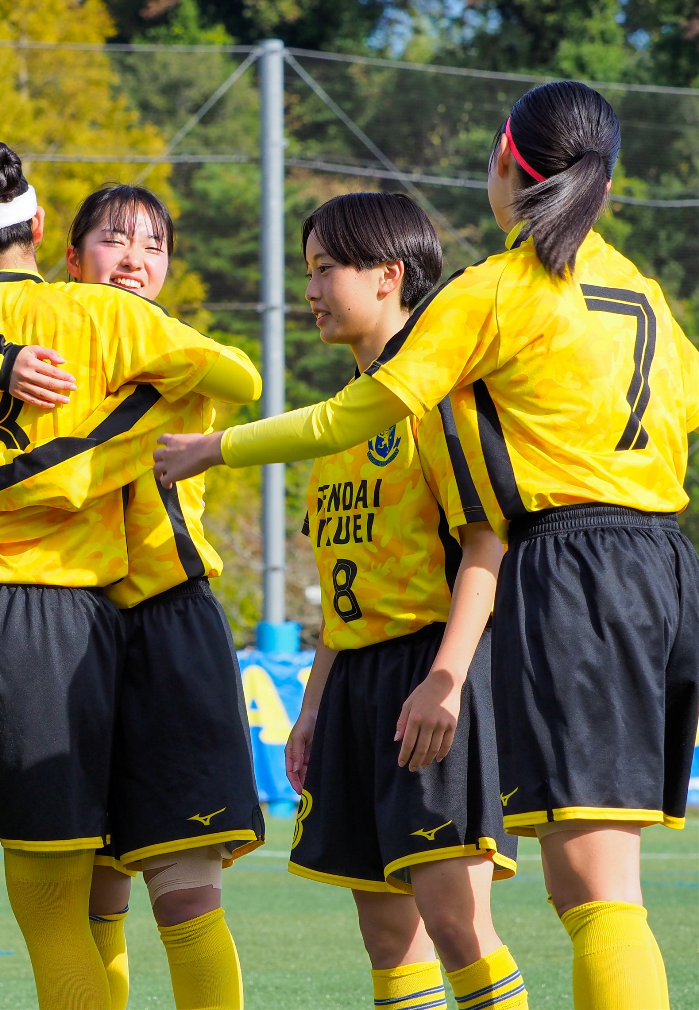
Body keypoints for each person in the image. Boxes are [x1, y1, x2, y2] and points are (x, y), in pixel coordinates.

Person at [156, 81, 699, 1007]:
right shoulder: (648, 299)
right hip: (660, 564)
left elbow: (361, 411)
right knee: (592, 890)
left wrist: (215, 445)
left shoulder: (498, 291)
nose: (318, 285)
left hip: (571, 566)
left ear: (503, 159)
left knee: (595, 897)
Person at [0, 144, 262, 1009]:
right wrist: (140, 412)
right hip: (62, 620)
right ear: (41, 230)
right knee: (60, 907)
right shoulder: (119, 322)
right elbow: (237, 377)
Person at [281, 192, 526, 1008]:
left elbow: (486, 543)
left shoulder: (438, 399)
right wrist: (314, 707)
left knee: (455, 923)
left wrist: (445, 681)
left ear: (389, 277)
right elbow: (343, 595)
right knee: (388, 937)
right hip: (356, 686)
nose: (310, 289)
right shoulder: (337, 427)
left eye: (326, 269)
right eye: (306, 269)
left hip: (432, 672)